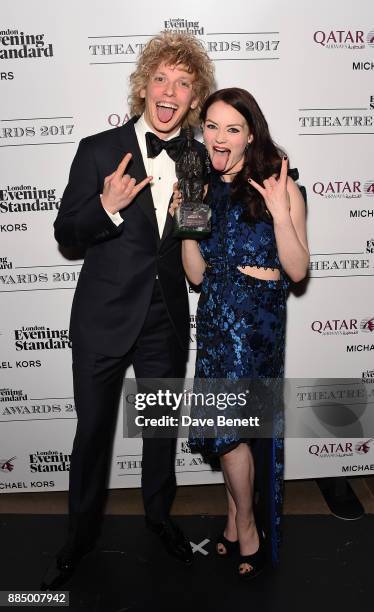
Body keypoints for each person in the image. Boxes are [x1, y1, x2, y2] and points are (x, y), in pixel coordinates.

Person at [44, 32, 214, 587]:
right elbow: (67, 234)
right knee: (91, 431)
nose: (170, 92)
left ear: (194, 97)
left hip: (166, 317)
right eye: (161, 79)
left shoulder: (198, 156)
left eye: (183, 83)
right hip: (102, 318)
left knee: (161, 429)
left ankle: (159, 518)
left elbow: (195, 239)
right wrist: (106, 208)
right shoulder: (98, 149)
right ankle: (80, 534)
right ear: (144, 86)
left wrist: (195, 218)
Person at [171, 87, 309, 578]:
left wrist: (278, 211)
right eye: (211, 126)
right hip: (215, 320)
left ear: (251, 134)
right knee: (228, 434)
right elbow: (195, 274)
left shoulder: (277, 183)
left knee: (235, 434)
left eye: (232, 128)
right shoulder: (201, 187)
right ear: (201, 130)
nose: (219, 137)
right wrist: (187, 223)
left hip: (255, 327)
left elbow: (296, 270)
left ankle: (248, 526)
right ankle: (234, 521)